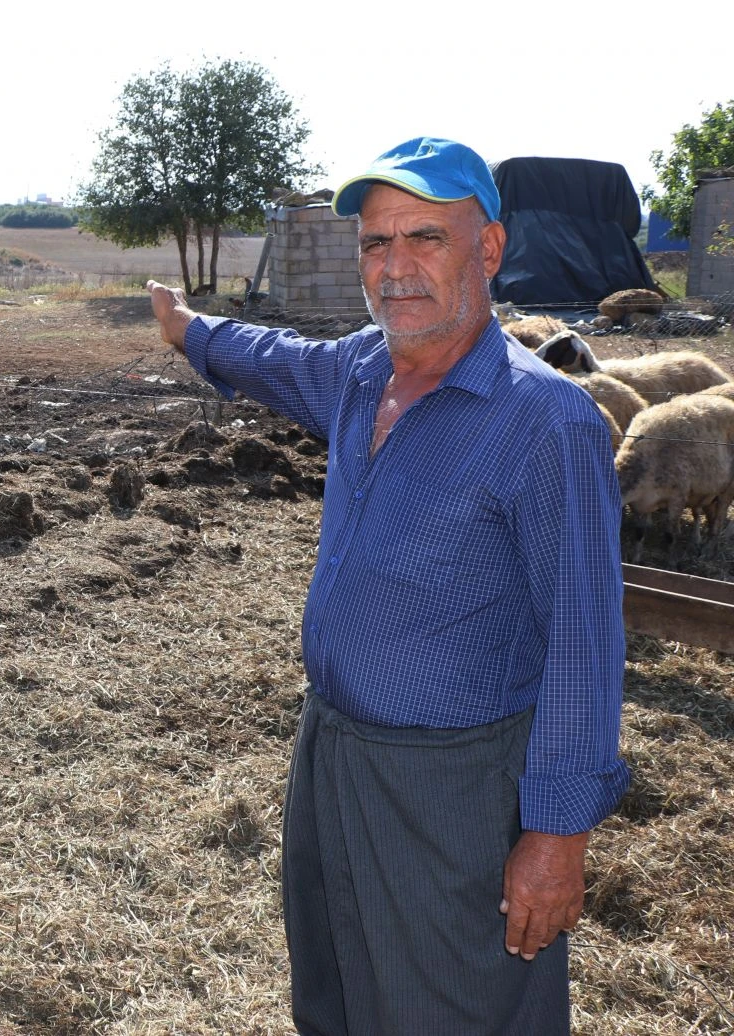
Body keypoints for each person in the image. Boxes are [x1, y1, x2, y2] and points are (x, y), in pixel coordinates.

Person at [147, 137, 628, 1034]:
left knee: (454, 1006)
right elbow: (275, 356)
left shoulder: (545, 422)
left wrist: (558, 836)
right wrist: (192, 331)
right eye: (375, 243)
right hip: (331, 751)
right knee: (335, 988)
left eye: (425, 239)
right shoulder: (364, 370)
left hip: (451, 788)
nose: (395, 267)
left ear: (486, 250)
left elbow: (586, 643)